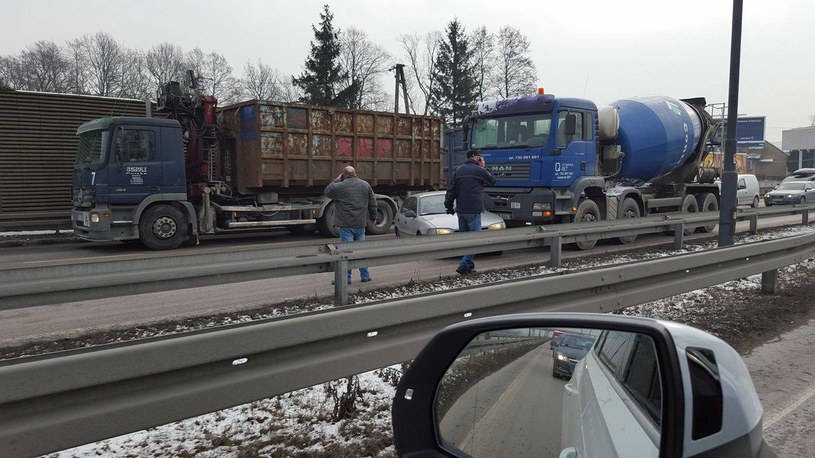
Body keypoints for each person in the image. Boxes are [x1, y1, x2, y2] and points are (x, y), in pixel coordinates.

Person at [444, 151, 496, 275]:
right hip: (474, 210)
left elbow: (451, 190)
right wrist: (483, 167)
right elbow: (493, 181)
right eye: (481, 158)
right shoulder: (479, 170)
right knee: (476, 240)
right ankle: (463, 264)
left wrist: (449, 206)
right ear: (477, 158)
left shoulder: (458, 171)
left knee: (466, 240)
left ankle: (469, 266)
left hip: (461, 210)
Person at [324, 166, 377, 284]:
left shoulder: (340, 186)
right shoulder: (365, 185)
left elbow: (327, 191)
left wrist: (336, 180)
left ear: (343, 175)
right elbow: (373, 202)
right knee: (360, 251)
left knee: (346, 253)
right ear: (355, 173)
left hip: (346, 225)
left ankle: (346, 278)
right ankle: (365, 275)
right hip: (360, 224)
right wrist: (373, 217)